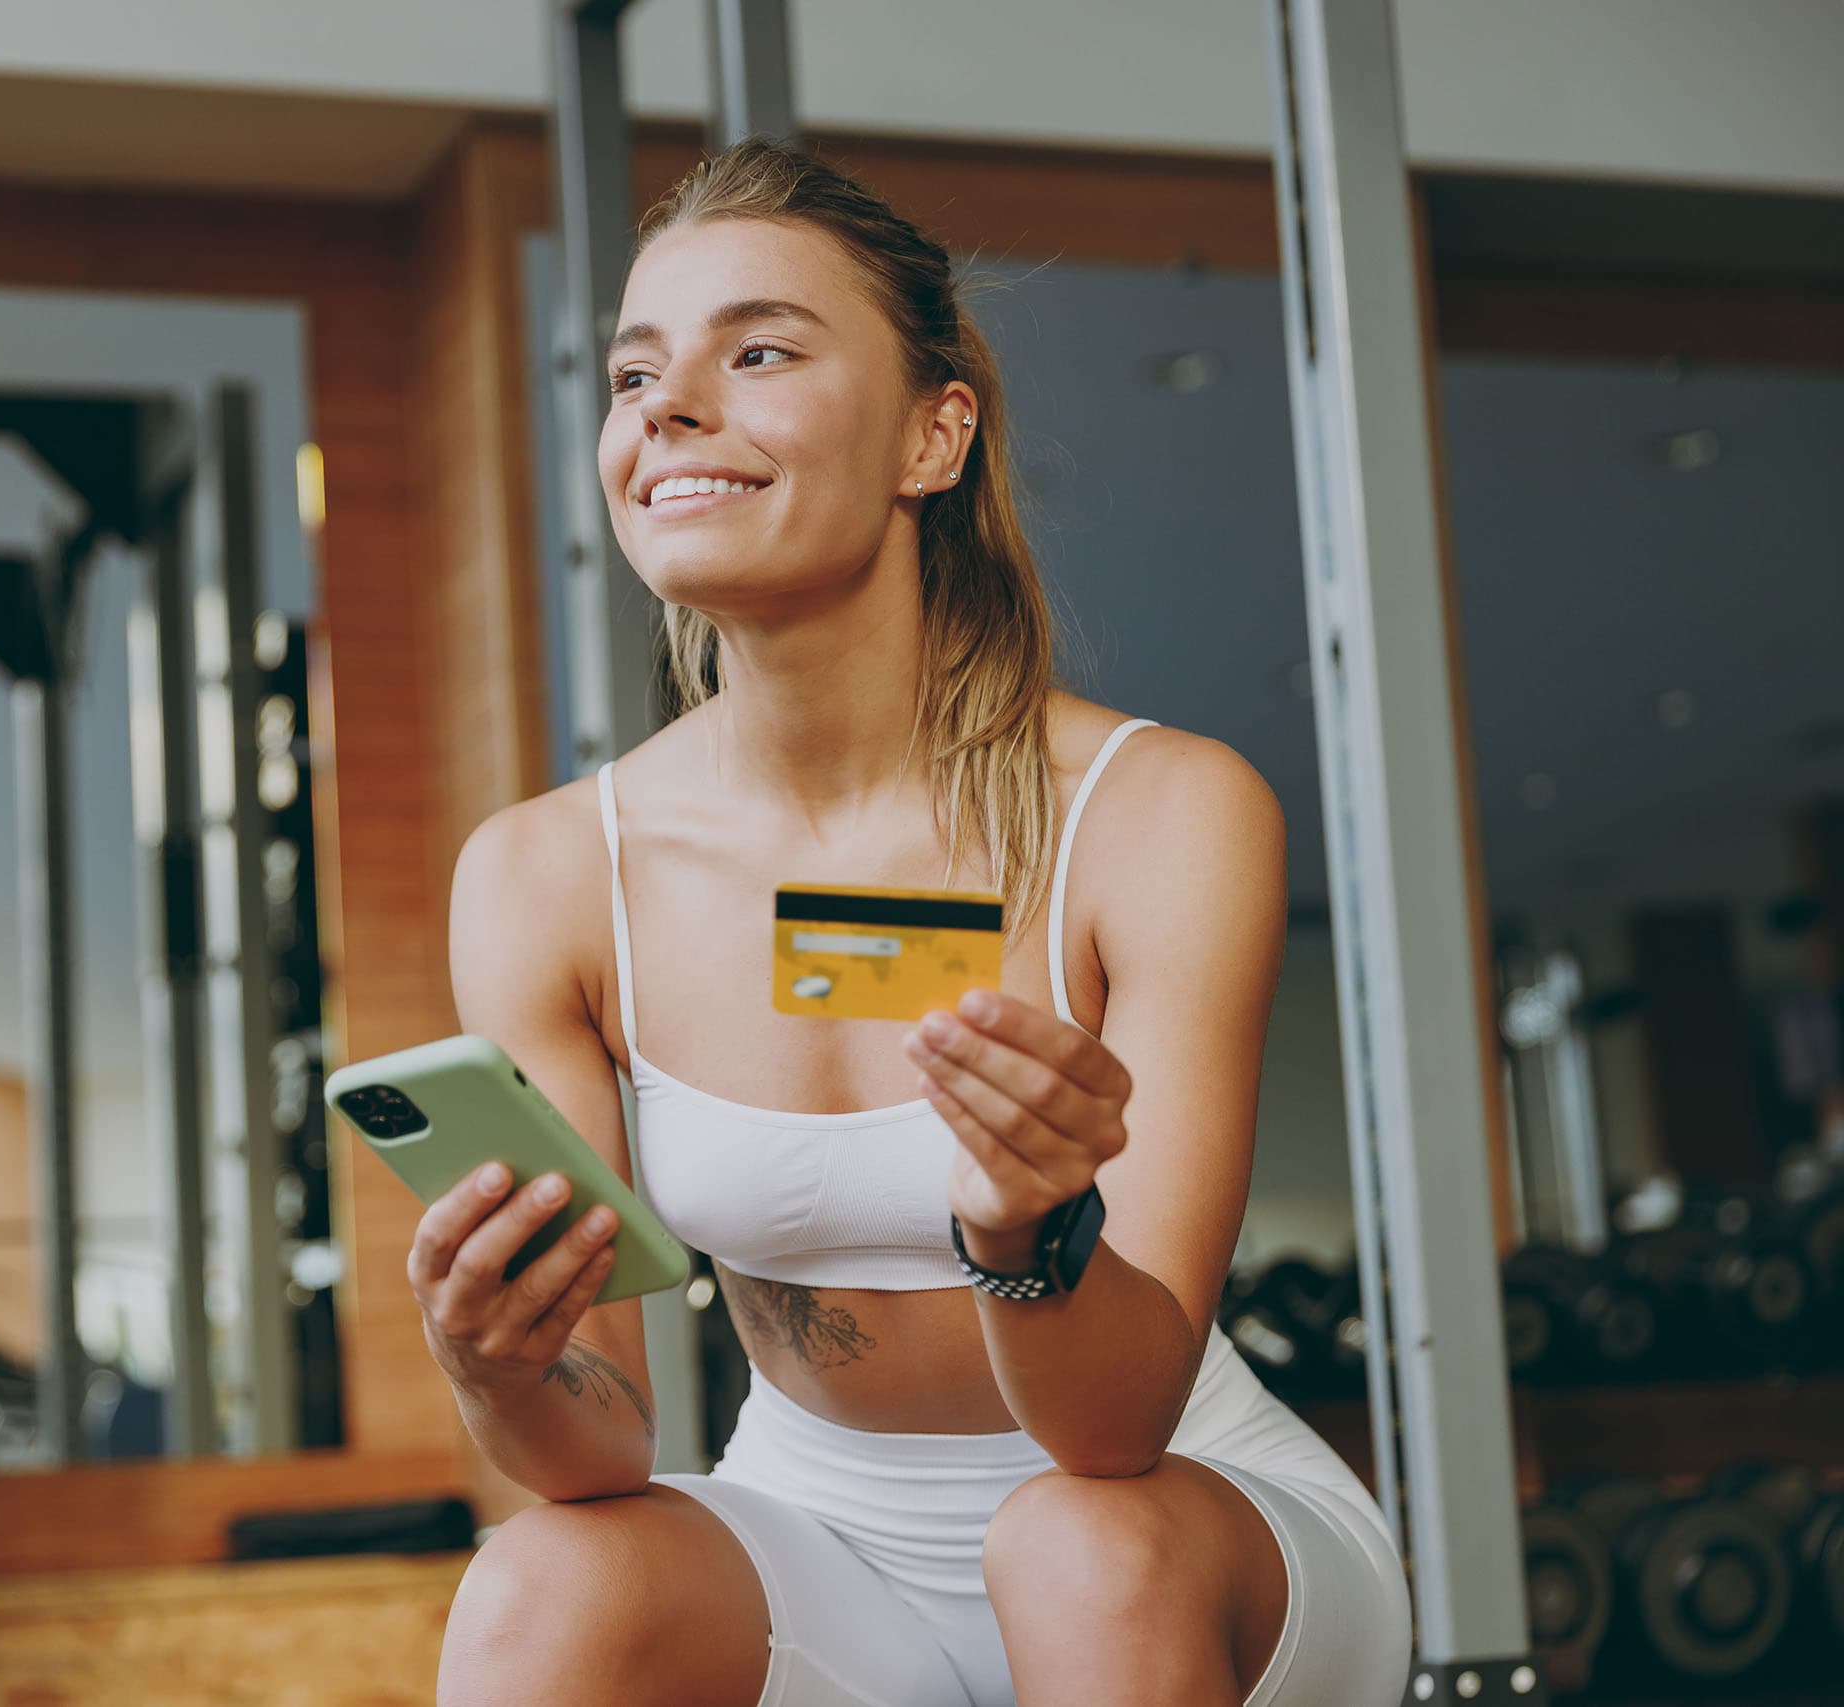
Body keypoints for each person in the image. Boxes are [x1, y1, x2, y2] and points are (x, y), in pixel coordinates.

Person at [417, 139, 1412, 1707]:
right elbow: (603, 1449)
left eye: (757, 352)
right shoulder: (545, 875)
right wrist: (500, 1367)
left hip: (1169, 1516)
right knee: (543, 1584)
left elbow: (1114, 1432)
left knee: (1076, 1548)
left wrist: (1027, 1236)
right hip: (822, 1540)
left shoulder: (1157, 813)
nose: (666, 407)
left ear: (933, 433)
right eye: (633, 373)